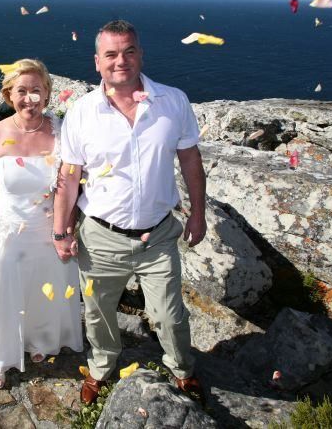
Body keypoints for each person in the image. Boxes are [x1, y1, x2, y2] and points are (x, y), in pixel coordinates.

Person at [52, 20, 207, 404]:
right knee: (99, 312)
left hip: (158, 235)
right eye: (111, 54)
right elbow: (69, 177)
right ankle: (102, 369)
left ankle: (182, 369)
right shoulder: (82, 112)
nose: (121, 61)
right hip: (101, 235)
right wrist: (61, 231)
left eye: (129, 51)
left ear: (140, 54)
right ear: (97, 61)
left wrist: (198, 214)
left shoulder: (173, 102)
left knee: (169, 314)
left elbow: (190, 160)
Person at [0, 58, 83, 389]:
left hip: (50, 231)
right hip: (7, 232)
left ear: (48, 94)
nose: (29, 99)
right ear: (9, 95)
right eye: (22, 91)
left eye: (37, 90)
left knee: (42, 290)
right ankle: (0, 356)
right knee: (1, 294)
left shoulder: (63, 132)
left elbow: (71, 187)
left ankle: (39, 342)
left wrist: (67, 231)